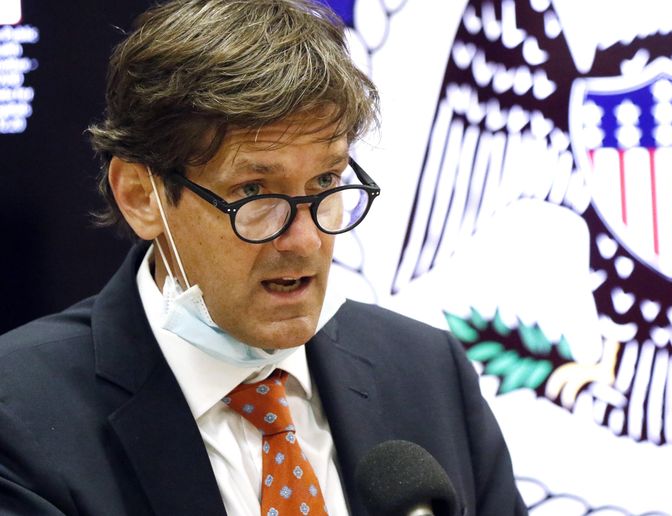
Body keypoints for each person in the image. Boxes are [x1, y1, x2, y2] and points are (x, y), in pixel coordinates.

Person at [0, 0, 527, 514]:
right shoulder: (20, 412)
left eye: (325, 181)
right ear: (142, 196)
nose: (304, 239)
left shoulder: (426, 372)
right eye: (255, 192)